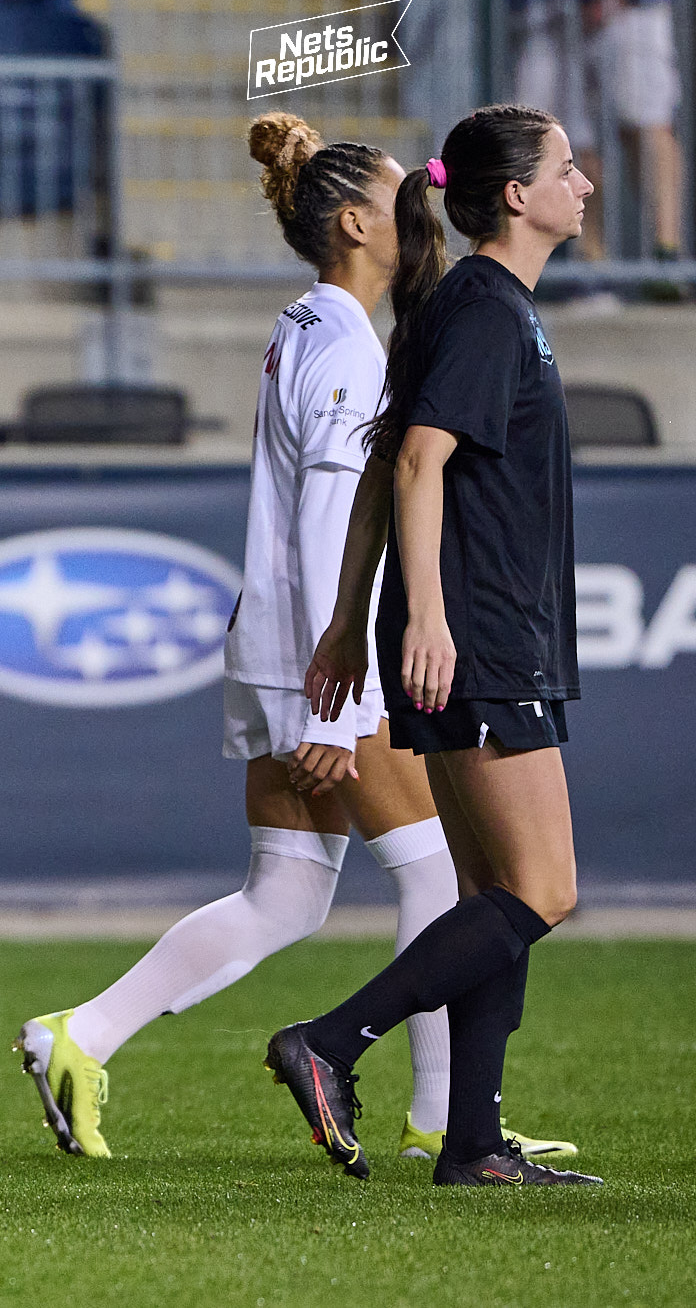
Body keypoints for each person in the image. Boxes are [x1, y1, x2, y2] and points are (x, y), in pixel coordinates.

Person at [15, 114, 571, 1168]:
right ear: (358, 222)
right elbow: (328, 520)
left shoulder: (310, 326)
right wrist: (333, 701)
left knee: (284, 891)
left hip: (274, 640)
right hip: (320, 659)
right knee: (444, 879)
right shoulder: (343, 347)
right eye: (402, 195)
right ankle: (441, 1116)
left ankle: (78, 1037)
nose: (418, 208)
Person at [271, 103, 603, 1187]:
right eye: (564, 166)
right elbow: (414, 461)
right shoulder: (486, 310)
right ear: (513, 194)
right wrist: (422, 617)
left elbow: (380, 467)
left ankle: (469, 1144)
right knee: (540, 890)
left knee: (486, 898)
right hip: (478, 634)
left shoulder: (469, 303)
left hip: (470, 628)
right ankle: (328, 1040)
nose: (583, 183)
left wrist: (346, 615)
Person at [510, 0, 686, 298]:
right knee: (569, 142)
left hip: (630, 0)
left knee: (646, 122)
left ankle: (668, 259)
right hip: (550, 4)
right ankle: (592, 269)